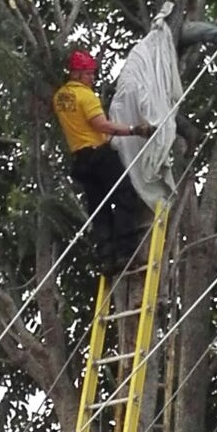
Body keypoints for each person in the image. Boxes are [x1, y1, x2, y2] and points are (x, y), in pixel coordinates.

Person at [53, 49, 155, 276]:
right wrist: (134, 130)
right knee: (125, 194)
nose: (92, 78)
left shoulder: (60, 97)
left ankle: (106, 258)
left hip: (80, 161)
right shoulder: (86, 96)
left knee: (99, 209)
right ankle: (125, 253)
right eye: (89, 74)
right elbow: (102, 126)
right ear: (77, 73)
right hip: (99, 155)